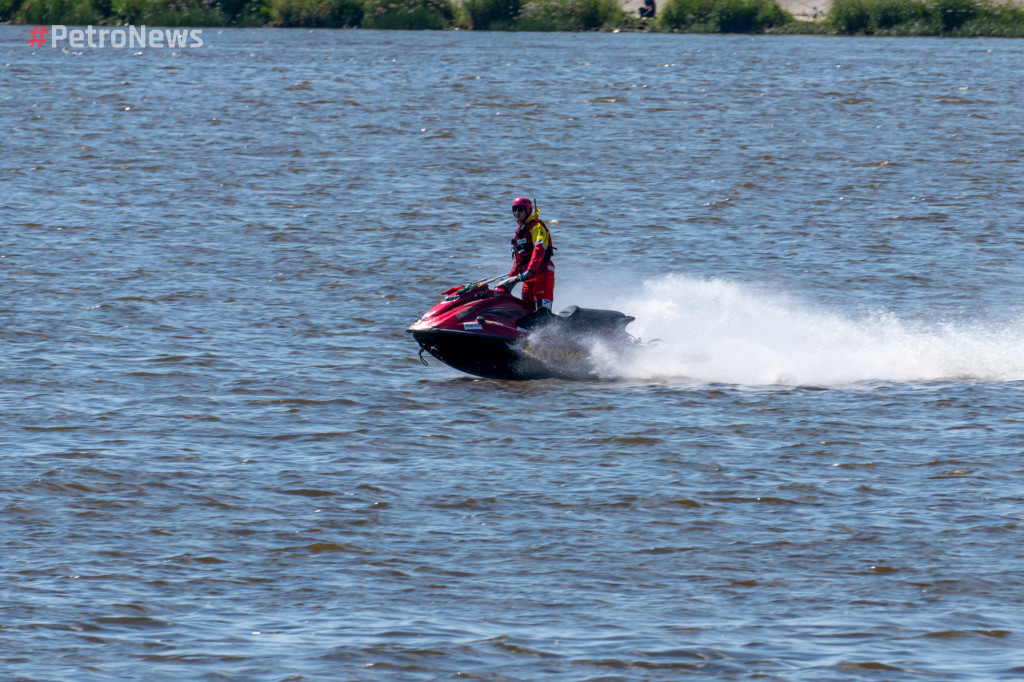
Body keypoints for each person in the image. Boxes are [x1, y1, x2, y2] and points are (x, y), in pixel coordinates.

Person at [497, 196, 555, 313]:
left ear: (528, 210)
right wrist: (510, 280)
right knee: (525, 312)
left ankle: (551, 330)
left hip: (541, 275)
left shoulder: (537, 228)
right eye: (514, 210)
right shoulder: (519, 232)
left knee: (542, 313)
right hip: (527, 279)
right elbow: (519, 260)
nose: (516, 213)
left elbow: (539, 250)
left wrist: (530, 270)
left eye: (520, 209)